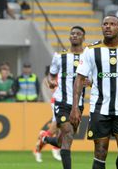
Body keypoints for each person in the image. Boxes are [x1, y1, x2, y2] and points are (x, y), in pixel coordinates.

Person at [70, 15, 118, 169]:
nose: (108, 27)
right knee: (100, 152)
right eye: (105, 24)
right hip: (99, 109)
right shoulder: (91, 50)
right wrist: (75, 107)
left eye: (112, 24)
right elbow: (79, 78)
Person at [34, 26, 86, 168]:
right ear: (69, 37)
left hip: (78, 104)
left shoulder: (88, 56)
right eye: (72, 33)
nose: (75, 36)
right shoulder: (59, 56)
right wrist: (50, 81)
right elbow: (51, 75)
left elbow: (93, 78)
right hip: (61, 102)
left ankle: (44, 138)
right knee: (68, 133)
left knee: (62, 141)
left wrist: (90, 82)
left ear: (83, 38)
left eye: (78, 34)